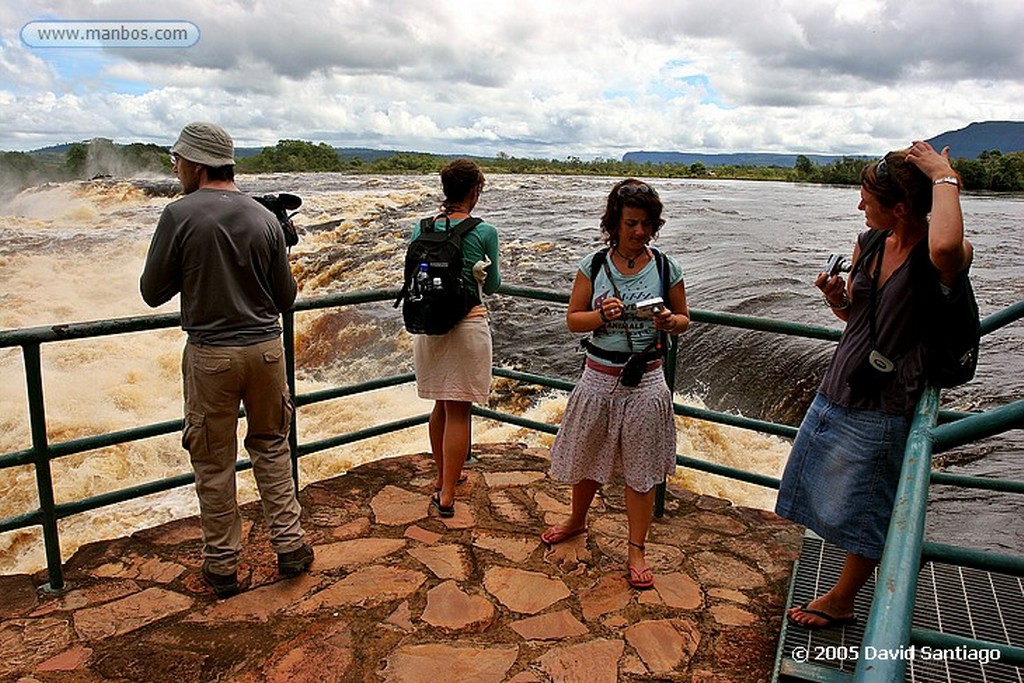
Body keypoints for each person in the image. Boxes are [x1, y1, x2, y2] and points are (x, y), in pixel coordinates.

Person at [776, 141, 972, 629]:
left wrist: (943, 174)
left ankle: (843, 599)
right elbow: (857, 317)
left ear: (901, 208)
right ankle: (845, 584)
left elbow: (948, 245)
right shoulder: (868, 243)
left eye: (868, 198)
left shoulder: (938, 254)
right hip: (840, 383)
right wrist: (837, 300)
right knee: (826, 493)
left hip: (886, 401)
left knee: (866, 506)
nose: (859, 205)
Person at [140, 122, 313, 598]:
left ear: (196, 163)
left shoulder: (179, 215)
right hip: (265, 351)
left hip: (211, 353)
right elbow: (285, 295)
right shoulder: (264, 217)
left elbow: (152, 291)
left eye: (177, 161)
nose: (175, 168)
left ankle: (221, 566)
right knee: (272, 446)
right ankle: (291, 545)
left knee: (214, 461)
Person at [543, 178, 690, 589]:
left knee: (641, 471)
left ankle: (636, 549)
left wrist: (667, 322)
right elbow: (574, 320)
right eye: (630, 224)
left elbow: (683, 320)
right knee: (589, 454)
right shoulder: (593, 266)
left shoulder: (665, 267)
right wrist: (602, 315)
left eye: (645, 224)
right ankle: (576, 520)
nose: (639, 232)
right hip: (598, 377)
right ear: (614, 223)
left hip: (645, 380)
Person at [412, 159, 501, 518]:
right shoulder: (484, 232)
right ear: (474, 191)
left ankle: (440, 478)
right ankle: (448, 494)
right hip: (467, 324)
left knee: (439, 405)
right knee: (459, 411)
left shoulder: (422, 226)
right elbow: (492, 286)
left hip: (429, 325)